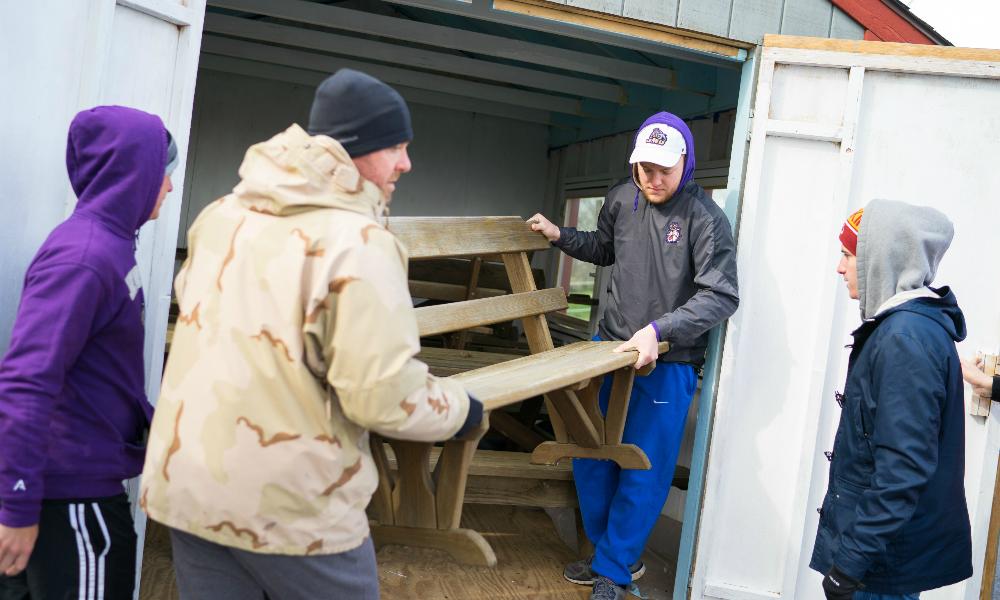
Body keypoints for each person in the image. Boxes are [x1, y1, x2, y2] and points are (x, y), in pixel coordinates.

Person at [139, 69, 483, 600]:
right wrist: (464, 410)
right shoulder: (359, 242)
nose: (405, 163)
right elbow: (383, 398)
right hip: (294, 511)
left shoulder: (221, 217)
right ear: (356, 148)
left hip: (191, 493)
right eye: (395, 146)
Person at [529, 111, 739, 600]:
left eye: (664, 168)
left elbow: (721, 295)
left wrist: (658, 329)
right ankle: (615, 557)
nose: (653, 178)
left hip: (667, 363)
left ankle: (614, 570)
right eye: (644, 167)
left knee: (642, 468)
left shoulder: (705, 219)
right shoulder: (622, 198)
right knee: (590, 455)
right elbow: (604, 249)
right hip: (610, 349)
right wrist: (561, 235)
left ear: (685, 163)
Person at [0, 105, 176, 599]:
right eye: (161, 171)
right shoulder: (85, 257)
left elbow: (104, 372)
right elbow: (27, 379)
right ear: (132, 173)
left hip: (75, 488)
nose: (167, 185)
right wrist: (15, 505)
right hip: (70, 500)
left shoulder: (113, 246)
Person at [811, 201, 972, 600]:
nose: (840, 267)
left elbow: (902, 468)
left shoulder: (905, 340)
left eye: (849, 255)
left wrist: (850, 562)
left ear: (880, 259)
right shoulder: (906, 329)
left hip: (879, 565)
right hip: (880, 556)